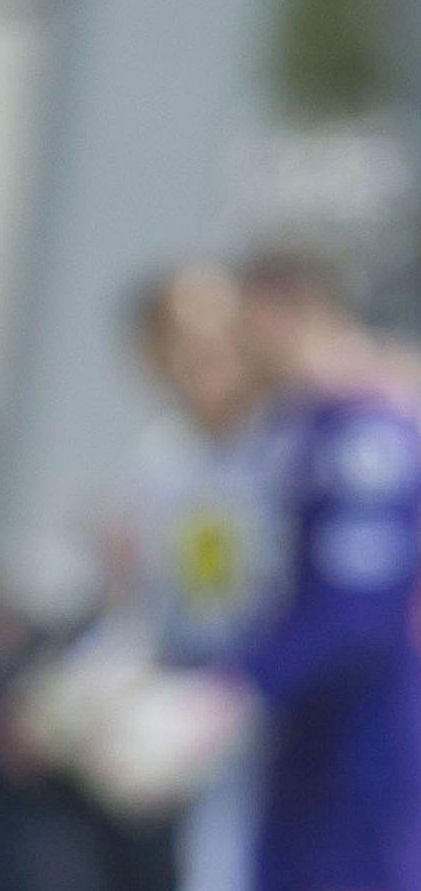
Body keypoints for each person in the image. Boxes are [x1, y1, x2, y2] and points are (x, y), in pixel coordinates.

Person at [222, 249, 421, 891]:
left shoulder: (368, 431)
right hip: (306, 730)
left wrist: (233, 689)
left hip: (367, 729)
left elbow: (356, 612)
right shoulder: (294, 425)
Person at [114, 264, 280, 891]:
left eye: (221, 323)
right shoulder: (160, 466)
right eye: (180, 334)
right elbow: (154, 612)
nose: (204, 346)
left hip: (295, 730)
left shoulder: (297, 442)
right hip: (211, 737)